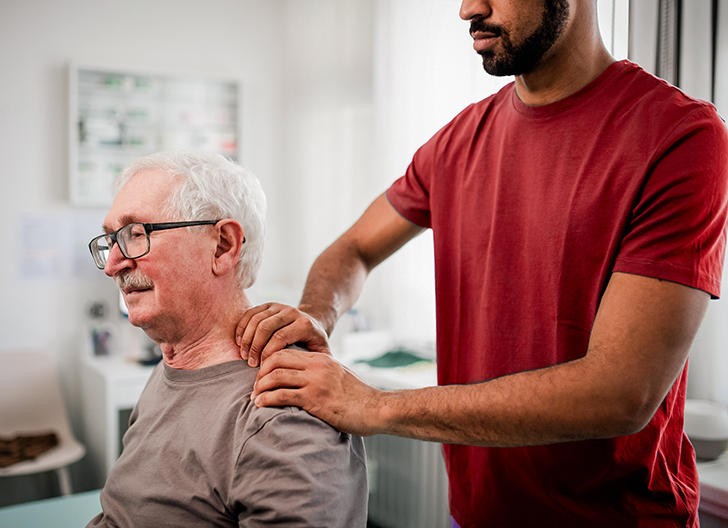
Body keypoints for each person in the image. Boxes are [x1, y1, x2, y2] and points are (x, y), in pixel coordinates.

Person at [235, 1, 728, 527]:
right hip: (473, 516)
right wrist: (316, 314)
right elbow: (354, 249)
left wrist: (374, 406)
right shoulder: (457, 141)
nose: (470, 8)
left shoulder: (678, 136)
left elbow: (622, 394)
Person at [85, 151, 368, 528]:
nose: (112, 264)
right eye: (110, 240)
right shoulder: (171, 367)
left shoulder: (282, 417)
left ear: (223, 246)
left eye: (136, 234)